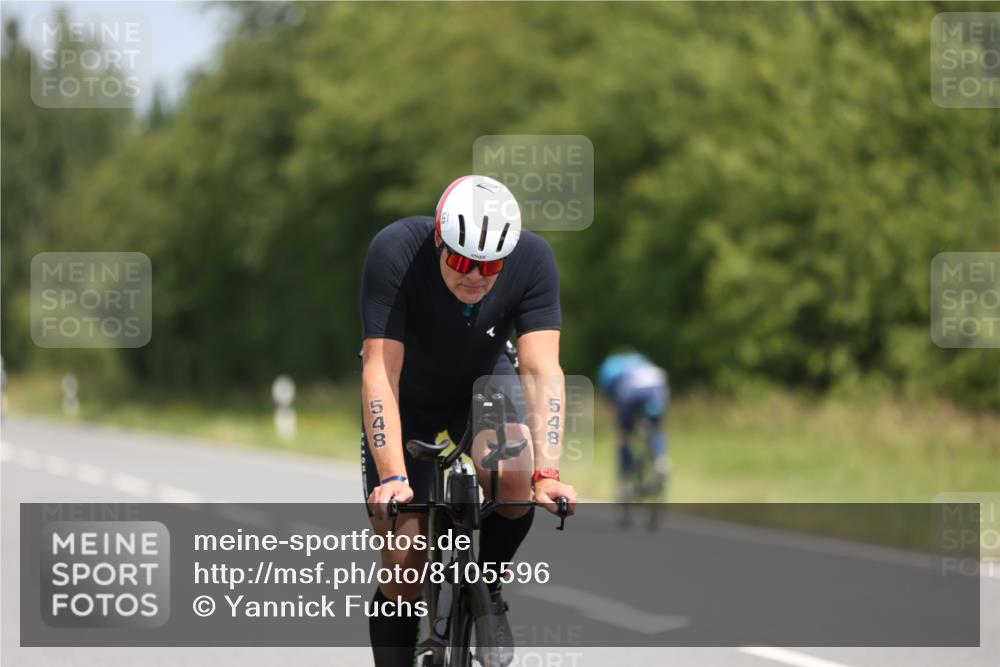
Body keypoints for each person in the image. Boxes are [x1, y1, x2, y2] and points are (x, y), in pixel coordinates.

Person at [360, 174, 578, 667]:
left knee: (514, 474)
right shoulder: (395, 249)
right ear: (440, 237)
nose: (475, 276)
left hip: (482, 383)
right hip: (408, 394)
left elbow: (542, 370)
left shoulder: (535, 259)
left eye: (490, 265)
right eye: (461, 261)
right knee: (404, 560)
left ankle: (488, 589)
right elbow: (380, 371)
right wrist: (393, 477)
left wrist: (547, 473)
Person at [597, 351, 670, 500]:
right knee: (657, 428)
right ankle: (660, 460)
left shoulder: (611, 369)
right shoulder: (643, 362)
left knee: (624, 435)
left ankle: (625, 482)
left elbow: (612, 400)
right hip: (658, 388)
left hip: (630, 394)